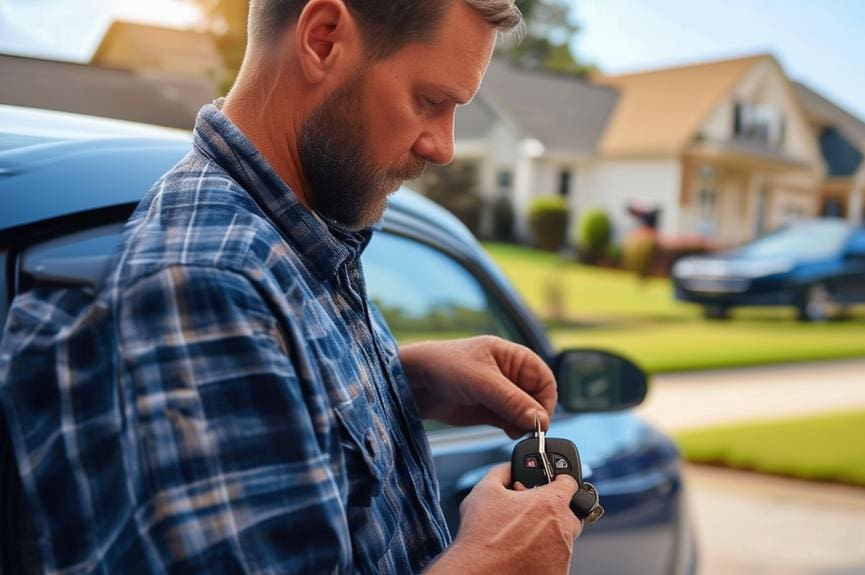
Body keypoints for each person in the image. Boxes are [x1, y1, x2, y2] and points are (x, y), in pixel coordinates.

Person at [0, 0, 583, 573]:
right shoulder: (206, 286)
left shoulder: (291, 234)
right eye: (430, 101)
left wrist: (393, 379)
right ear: (322, 38)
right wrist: (497, 563)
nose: (443, 146)